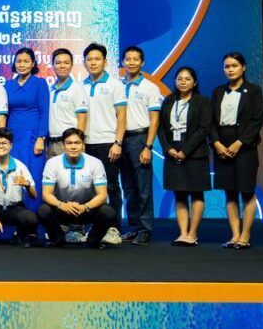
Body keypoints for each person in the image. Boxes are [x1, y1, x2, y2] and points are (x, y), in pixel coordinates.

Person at [210, 52, 263, 249]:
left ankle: (245, 236)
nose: (230, 69)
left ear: (243, 67)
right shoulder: (218, 91)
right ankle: (234, 235)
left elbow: (256, 120)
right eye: (227, 66)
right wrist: (216, 143)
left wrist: (239, 142)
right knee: (230, 192)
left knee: (247, 191)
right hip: (222, 145)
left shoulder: (254, 90)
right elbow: (211, 121)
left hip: (244, 146)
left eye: (234, 65)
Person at [157, 66, 212, 246]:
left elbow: (204, 128)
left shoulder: (202, 101)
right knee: (179, 195)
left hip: (195, 154)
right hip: (173, 154)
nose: (183, 82)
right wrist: (168, 149)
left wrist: (185, 151)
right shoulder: (168, 101)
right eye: (180, 78)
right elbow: (161, 128)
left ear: (194, 82)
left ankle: (192, 234)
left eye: (187, 79)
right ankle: (182, 233)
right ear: (175, 81)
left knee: (197, 194)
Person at [37, 127, 115, 249]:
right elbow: (46, 194)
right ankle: (58, 238)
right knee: (43, 210)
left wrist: (85, 207)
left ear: (83, 145)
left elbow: (102, 195)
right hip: (63, 208)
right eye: (69, 143)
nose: (73, 147)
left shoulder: (95, 163)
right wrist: (62, 205)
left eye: (77, 143)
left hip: (87, 209)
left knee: (108, 212)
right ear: (63, 145)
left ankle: (93, 240)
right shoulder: (52, 163)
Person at [81, 43, 127, 245]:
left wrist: (118, 142)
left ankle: (114, 229)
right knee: (88, 189)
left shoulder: (115, 85)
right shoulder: (80, 86)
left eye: (97, 59)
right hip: (86, 144)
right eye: (89, 59)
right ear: (84, 63)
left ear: (105, 62)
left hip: (108, 143)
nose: (93, 63)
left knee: (111, 187)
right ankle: (92, 229)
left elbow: (122, 116)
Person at [118, 45, 163, 245]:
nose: (131, 62)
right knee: (128, 187)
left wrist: (148, 146)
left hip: (140, 138)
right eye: (128, 59)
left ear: (142, 62)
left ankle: (145, 229)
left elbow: (155, 120)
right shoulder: (117, 86)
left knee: (143, 188)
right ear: (122, 62)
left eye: (135, 59)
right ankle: (134, 227)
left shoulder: (150, 87)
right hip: (121, 139)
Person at [4, 47, 49, 200]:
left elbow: (45, 112)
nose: (22, 65)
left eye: (26, 61)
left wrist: (41, 137)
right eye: (19, 61)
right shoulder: (8, 85)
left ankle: (34, 210)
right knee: (14, 172)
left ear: (33, 63)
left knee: (33, 173)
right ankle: (16, 208)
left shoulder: (39, 83)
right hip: (13, 136)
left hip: (33, 136)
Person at [47, 49, 89, 158]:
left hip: (69, 144)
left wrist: (78, 143)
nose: (62, 66)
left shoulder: (77, 89)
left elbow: (82, 119)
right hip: (50, 144)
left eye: (66, 63)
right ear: (52, 65)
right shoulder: (50, 89)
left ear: (71, 65)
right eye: (58, 63)